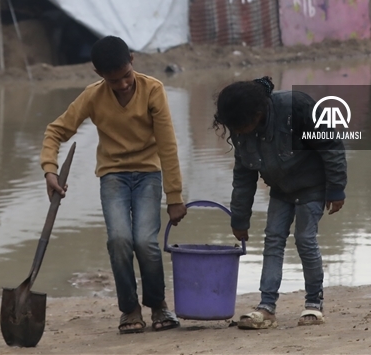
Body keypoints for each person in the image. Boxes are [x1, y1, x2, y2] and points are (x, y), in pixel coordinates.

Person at [40, 36, 187, 334]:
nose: (122, 85)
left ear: (132, 60)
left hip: (148, 173)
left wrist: (174, 196)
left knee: (145, 242)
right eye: (113, 80)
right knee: (119, 240)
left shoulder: (153, 90)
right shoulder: (93, 96)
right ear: (100, 75)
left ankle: (158, 306)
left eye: (126, 77)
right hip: (113, 176)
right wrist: (49, 170)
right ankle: (130, 309)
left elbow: (168, 146)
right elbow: (55, 131)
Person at [213, 76, 347, 330]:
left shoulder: (296, 107)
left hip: (313, 186)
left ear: (258, 112)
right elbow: (243, 176)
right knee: (273, 239)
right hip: (281, 190)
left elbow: (331, 145)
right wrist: (239, 219)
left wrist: (336, 189)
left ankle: (313, 304)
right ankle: (266, 307)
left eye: (240, 125)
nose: (238, 131)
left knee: (305, 239)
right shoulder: (241, 131)